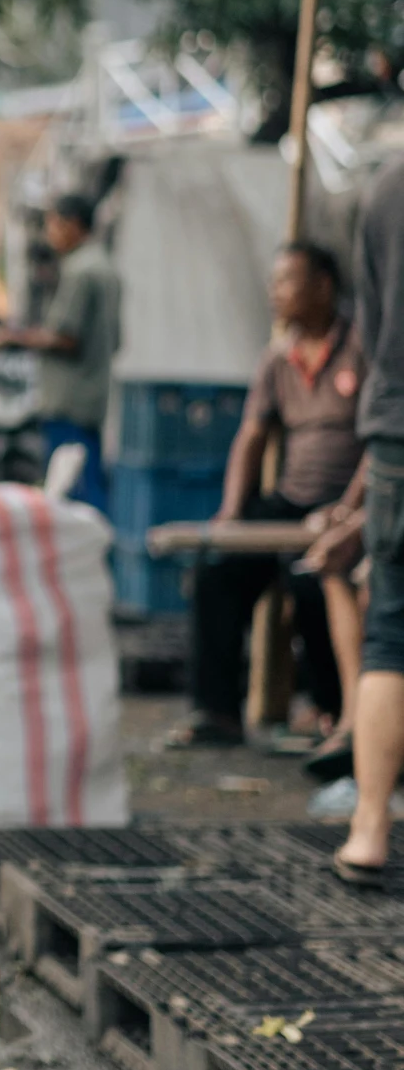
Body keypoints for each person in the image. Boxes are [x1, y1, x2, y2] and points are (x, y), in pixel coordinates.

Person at [168, 241, 365, 750]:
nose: (275, 293)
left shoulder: (362, 347)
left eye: (287, 281)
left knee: (313, 582)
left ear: (323, 285)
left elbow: (381, 439)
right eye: (274, 282)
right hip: (290, 502)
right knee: (216, 574)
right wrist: (234, 511)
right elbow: (252, 437)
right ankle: (217, 714)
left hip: (348, 507)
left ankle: (335, 715)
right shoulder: (277, 357)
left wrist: (348, 508)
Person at [338, 158, 404, 882]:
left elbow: (372, 319)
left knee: (390, 627)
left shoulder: (384, 186)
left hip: (393, 429)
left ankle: (367, 826)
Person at [0, 194, 121, 512]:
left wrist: (10, 338)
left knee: (71, 490)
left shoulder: (79, 271)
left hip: (68, 399)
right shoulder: (105, 267)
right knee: (89, 479)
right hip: (92, 396)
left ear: (72, 224)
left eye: (53, 224)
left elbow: (65, 338)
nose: (49, 233)